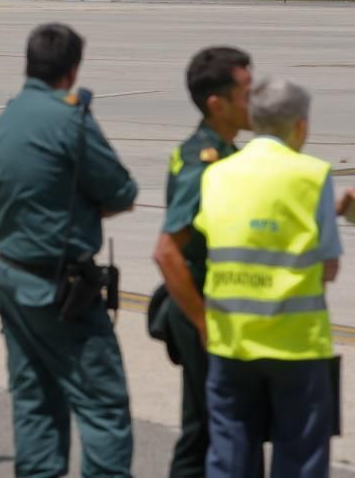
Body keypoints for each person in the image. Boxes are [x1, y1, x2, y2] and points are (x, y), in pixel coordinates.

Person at [0, 23, 138, 477]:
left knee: (35, 405)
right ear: (72, 70)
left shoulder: (7, 116)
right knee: (104, 408)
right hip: (60, 288)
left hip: (13, 278)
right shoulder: (70, 120)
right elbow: (121, 190)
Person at [195, 77, 341, 478]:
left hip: (231, 340)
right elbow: (328, 266)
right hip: (295, 345)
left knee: (230, 455)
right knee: (300, 457)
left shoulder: (217, 174)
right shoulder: (312, 175)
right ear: (300, 126)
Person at [151, 47, 252, 477]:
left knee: (206, 426)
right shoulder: (203, 161)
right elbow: (167, 250)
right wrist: (203, 321)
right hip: (202, 308)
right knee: (211, 428)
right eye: (247, 91)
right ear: (218, 103)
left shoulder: (225, 151)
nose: (256, 100)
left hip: (214, 304)